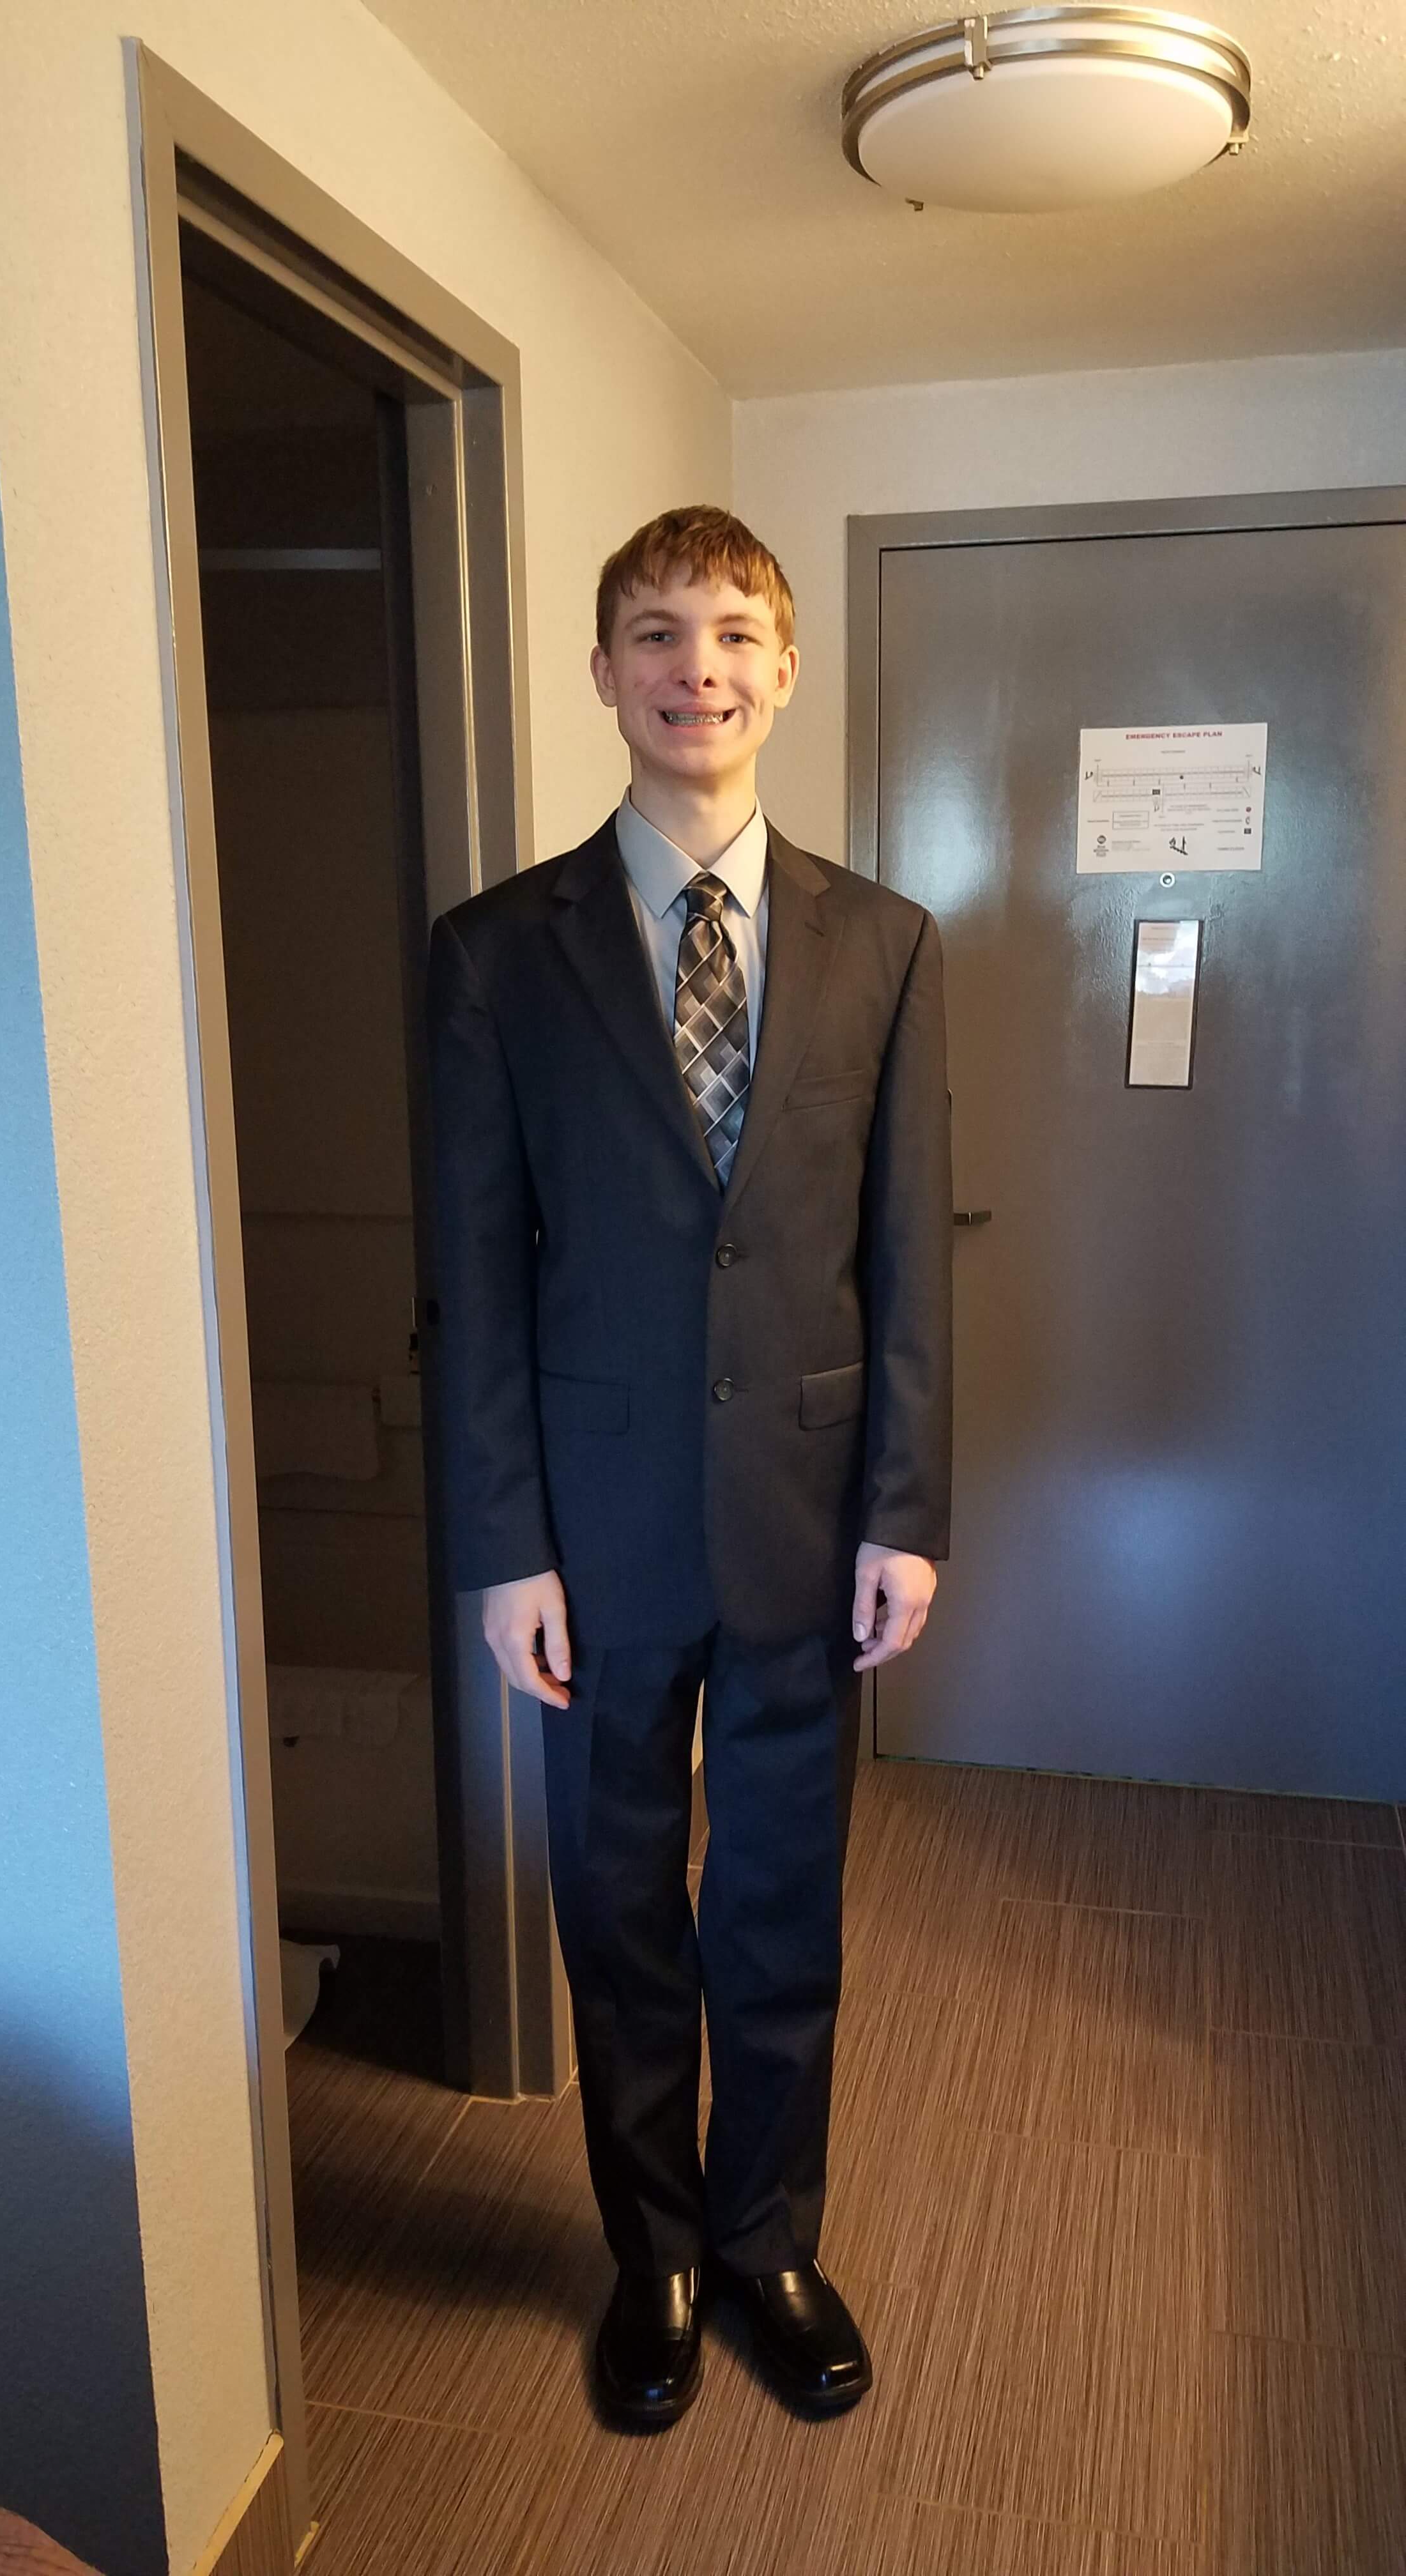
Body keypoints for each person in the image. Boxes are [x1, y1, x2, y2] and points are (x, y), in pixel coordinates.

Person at [427, 505, 951, 2430]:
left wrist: (905, 1509)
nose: (696, 666)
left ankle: (765, 2240)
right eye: (655, 633)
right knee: (623, 1894)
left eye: (734, 632)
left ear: (785, 669)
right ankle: (649, 2249)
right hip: (593, 1525)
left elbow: (901, 1259)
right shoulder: (494, 954)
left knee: (781, 1900)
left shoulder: (886, 944)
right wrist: (503, 1549)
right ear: (603, 675)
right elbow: (475, 1274)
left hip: (815, 1525)